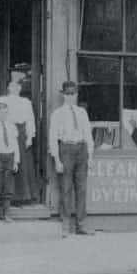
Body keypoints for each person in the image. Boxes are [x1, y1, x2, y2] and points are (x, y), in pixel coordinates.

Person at [48, 80, 95, 237]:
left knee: (81, 188)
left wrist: (91, 156)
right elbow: (52, 137)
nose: (70, 97)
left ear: (76, 95)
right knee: (66, 187)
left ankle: (81, 224)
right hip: (66, 149)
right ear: (63, 95)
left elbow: (88, 134)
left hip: (81, 149)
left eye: (73, 94)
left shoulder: (82, 112)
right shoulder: (57, 113)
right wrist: (57, 159)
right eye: (67, 94)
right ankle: (66, 225)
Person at [0, 80, 37, 204]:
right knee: (6, 165)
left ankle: (22, 197)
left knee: (21, 164)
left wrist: (29, 137)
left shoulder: (26, 102)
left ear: (21, 88)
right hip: (5, 132)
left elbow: (30, 120)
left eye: (18, 86)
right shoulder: (2, 100)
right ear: (8, 87)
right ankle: (4, 198)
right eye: (12, 86)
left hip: (21, 134)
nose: (15, 88)